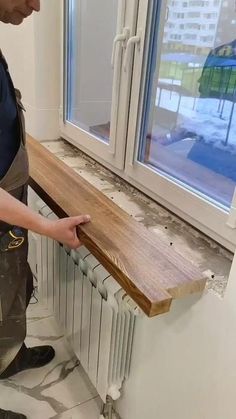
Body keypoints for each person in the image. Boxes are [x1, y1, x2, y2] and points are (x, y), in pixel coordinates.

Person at [0, 1, 91, 418]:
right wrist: (46, 226)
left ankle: (8, 357)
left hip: (7, 209)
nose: (37, 5)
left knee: (11, 288)